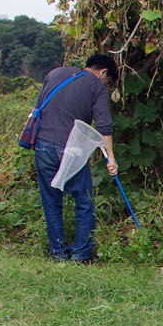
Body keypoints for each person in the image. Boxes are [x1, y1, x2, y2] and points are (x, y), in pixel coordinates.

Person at [30, 54, 119, 263]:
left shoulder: (55, 74)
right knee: (83, 200)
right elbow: (104, 126)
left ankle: (58, 253)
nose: (106, 84)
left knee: (51, 201)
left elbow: (38, 109)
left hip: (42, 144)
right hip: (71, 149)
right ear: (103, 72)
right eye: (108, 80)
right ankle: (81, 254)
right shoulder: (96, 87)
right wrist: (111, 159)